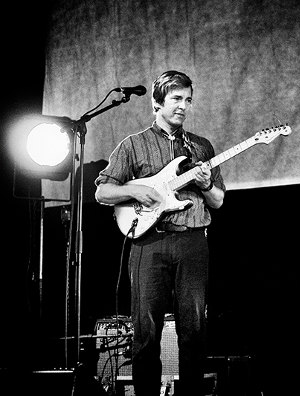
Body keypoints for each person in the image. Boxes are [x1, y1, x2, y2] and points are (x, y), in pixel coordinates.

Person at [95, 70, 225, 396]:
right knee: (147, 334)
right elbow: (102, 193)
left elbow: (219, 200)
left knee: (194, 331)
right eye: (176, 99)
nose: (183, 106)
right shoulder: (133, 146)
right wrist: (137, 191)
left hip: (193, 241)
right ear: (157, 102)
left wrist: (207, 184)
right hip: (148, 243)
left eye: (188, 100)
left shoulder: (201, 147)